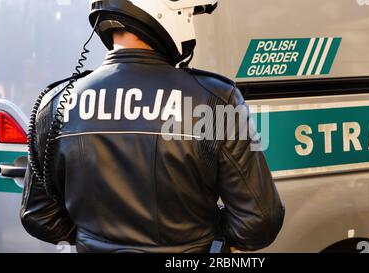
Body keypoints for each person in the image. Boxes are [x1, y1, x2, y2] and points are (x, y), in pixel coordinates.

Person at [20, 0, 284, 253]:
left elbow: (39, 216)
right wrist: (209, 237)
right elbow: (260, 221)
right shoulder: (216, 98)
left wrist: (92, 239)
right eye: (189, 13)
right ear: (164, 10)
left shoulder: (55, 103)